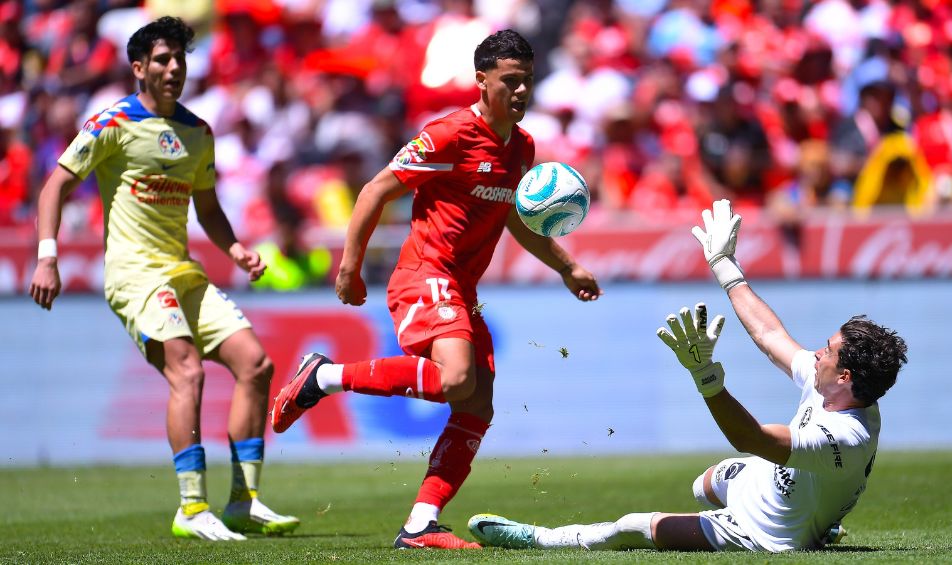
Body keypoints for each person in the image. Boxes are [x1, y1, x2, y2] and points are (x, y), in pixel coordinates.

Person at [269, 29, 601, 549]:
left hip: (461, 288)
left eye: (527, 81)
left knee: (477, 406)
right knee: (456, 379)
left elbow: (514, 216)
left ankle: (421, 524)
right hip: (425, 274)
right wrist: (349, 266)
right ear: (481, 80)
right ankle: (323, 375)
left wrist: (566, 266)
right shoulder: (449, 134)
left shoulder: (523, 148)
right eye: (510, 81)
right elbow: (376, 188)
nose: (520, 92)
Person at [468, 199, 908, 552]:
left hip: (766, 532)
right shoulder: (831, 383)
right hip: (772, 481)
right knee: (703, 485)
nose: (815, 353)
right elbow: (771, 334)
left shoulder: (846, 435)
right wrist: (724, 266)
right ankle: (822, 518)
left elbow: (753, 439)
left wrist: (705, 376)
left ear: (845, 375)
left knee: (635, 526)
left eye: (827, 351)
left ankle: (540, 539)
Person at [28, 16, 298, 541]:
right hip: (134, 274)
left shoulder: (198, 132)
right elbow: (54, 187)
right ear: (138, 68)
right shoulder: (111, 123)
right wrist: (47, 256)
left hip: (183, 273)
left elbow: (209, 206)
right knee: (188, 371)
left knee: (256, 364)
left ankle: (244, 502)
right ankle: (192, 508)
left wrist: (238, 249)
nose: (175, 68)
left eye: (180, 59)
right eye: (162, 60)